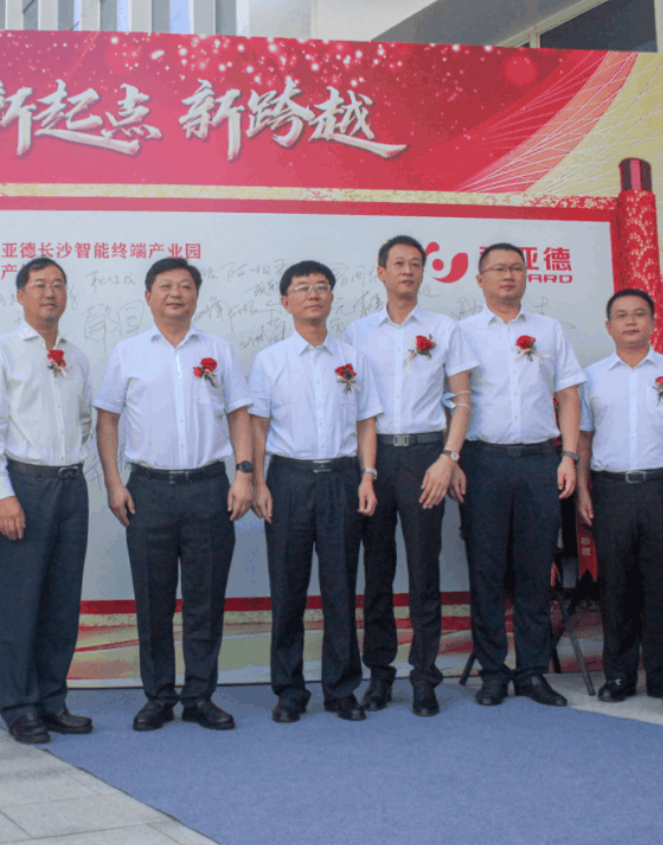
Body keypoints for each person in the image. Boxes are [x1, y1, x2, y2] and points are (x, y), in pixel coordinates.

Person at [95, 257, 254, 732]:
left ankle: (200, 696)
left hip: (209, 488)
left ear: (197, 297)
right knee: (153, 601)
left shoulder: (218, 350)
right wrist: (113, 482)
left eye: (185, 286)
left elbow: (239, 414)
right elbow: (107, 418)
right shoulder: (127, 353)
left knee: (206, 600)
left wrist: (244, 474)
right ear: (148, 296)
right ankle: (159, 697)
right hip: (148, 491)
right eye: (165, 286)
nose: (176, 294)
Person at [343, 236, 477, 717]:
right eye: (398, 263)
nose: (407, 270)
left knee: (424, 572)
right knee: (376, 571)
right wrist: (364, 468)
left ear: (424, 272)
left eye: (415, 264)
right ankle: (379, 676)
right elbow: (354, 405)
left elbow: (462, 400)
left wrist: (449, 457)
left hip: (426, 458)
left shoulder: (444, 328)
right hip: (374, 460)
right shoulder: (357, 332)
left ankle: (424, 677)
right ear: (381, 272)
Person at [251, 260, 382, 724]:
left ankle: (341, 688)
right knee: (287, 589)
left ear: (331, 298)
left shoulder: (353, 358)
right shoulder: (269, 361)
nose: (313, 294)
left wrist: (367, 476)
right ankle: (289, 690)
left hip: (342, 480)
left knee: (340, 588)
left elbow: (366, 422)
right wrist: (259, 482)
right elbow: (258, 426)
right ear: (285, 301)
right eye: (303, 287)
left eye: (322, 287)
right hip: (287, 481)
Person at [0, 257, 94, 744]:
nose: (50, 292)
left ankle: (52, 701)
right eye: (39, 284)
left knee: (62, 602)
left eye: (58, 284)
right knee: (20, 603)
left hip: (70, 487)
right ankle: (19, 706)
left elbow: (83, 421)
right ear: (20, 295)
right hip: (23, 487)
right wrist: (3, 494)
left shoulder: (77, 356)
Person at [458, 243, 586, 708]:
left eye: (516, 267)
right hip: (481, 462)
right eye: (498, 269)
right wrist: (452, 460)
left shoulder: (548, 330)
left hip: (539, 462)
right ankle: (493, 672)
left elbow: (568, 396)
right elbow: (451, 401)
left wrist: (568, 456)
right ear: (480, 279)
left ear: (528, 276)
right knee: (486, 571)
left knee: (535, 571)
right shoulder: (461, 332)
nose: (508, 275)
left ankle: (532, 672)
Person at [576, 288, 663, 701]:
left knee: (662, 584)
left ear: (653, 322)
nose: (630, 321)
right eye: (621, 315)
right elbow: (583, 438)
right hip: (611, 490)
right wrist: (582, 490)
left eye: (638, 314)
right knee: (615, 585)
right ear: (608, 326)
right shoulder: (592, 376)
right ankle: (618, 675)